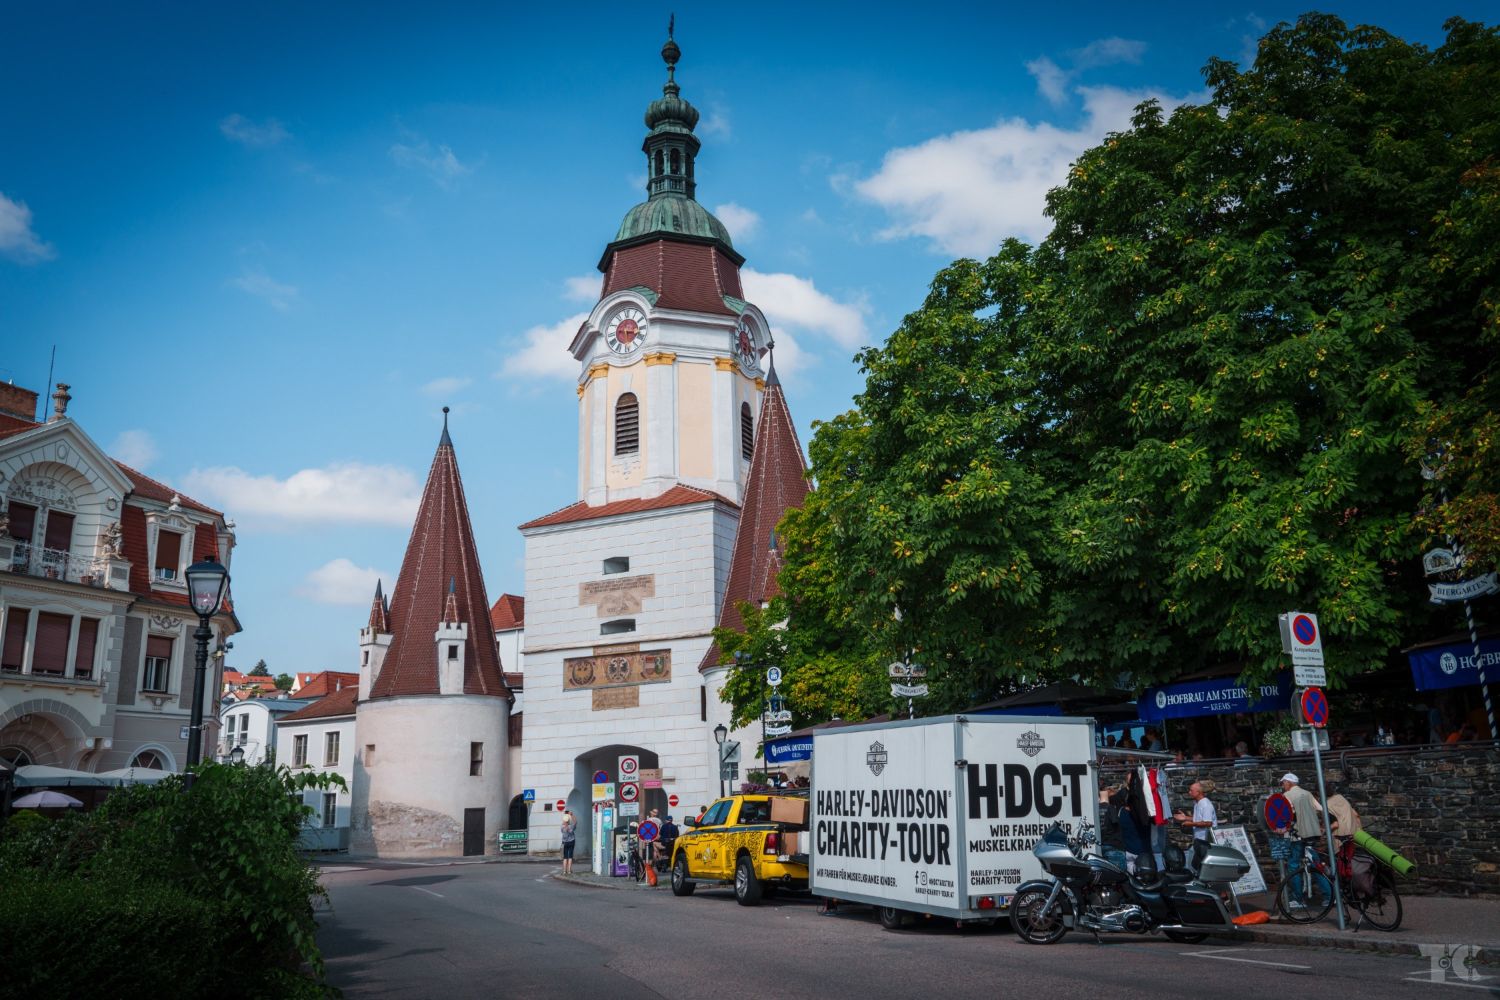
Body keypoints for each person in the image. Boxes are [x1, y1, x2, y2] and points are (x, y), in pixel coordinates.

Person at [1279, 772, 1325, 907]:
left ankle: (1298, 899)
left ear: (1288, 782)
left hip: (1298, 835)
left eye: (1283, 783)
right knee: (1315, 865)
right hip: (1312, 834)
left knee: (1293, 865)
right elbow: (1321, 809)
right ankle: (1329, 896)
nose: (1282, 785)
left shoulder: (1287, 795)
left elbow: (1286, 816)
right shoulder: (1307, 793)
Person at [560, 809, 578, 875]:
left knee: (565, 857)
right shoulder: (571, 827)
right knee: (570, 856)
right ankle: (569, 871)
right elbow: (575, 822)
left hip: (565, 843)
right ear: (569, 820)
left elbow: (564, 823)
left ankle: (564, 871)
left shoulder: (562, 827)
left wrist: (565, 817)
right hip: (571, 841)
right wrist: (571, 815)